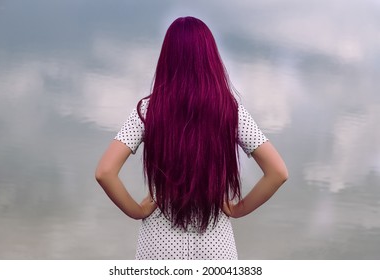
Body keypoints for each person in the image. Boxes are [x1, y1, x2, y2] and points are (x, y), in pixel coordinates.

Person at [95, 16, 288, 260]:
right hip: (216, 247)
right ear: (210, 59)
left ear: (167, 59)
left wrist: (136, 210)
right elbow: (278, 172)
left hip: (158, 247)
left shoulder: (148, 110)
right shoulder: (229, 110)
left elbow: (105, 172)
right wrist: (238, 209)